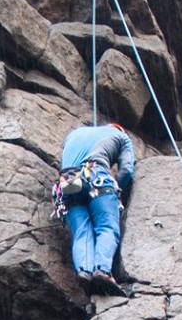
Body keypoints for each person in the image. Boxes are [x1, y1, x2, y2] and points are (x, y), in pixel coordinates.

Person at [54, 121, 137, 295]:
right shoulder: (121, 137)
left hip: (68, 184)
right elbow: (127, 169)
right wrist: (116, 189)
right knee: (107, 227)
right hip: (96, 177)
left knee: (82, 232)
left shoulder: (74, 134)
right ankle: (102, 271)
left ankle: (85, 271)